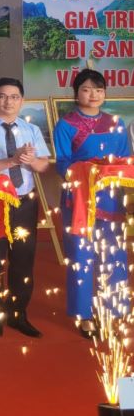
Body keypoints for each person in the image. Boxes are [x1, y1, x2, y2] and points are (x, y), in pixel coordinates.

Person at [53, 68, 131, 339]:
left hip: (111, 196)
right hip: (79, 198)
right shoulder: (66, 125)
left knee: (114, 253)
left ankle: (113, 309)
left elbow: (126, 160)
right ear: (76, 94)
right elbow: (62, 164)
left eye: (99, 90)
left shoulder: (116, 123)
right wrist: (86, 171)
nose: (93, 95)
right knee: (81, 256)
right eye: (86, 90)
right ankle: (84, 314)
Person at [0, 77, 50, 338]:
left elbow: (43, 165)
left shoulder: (31, 130)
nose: (8, 102)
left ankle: (18, 314)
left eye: (14, 97)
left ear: (22, 101)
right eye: (2, 96)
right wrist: (12, 161)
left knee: (23, 258)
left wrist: (30, 161)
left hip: (24, 201)